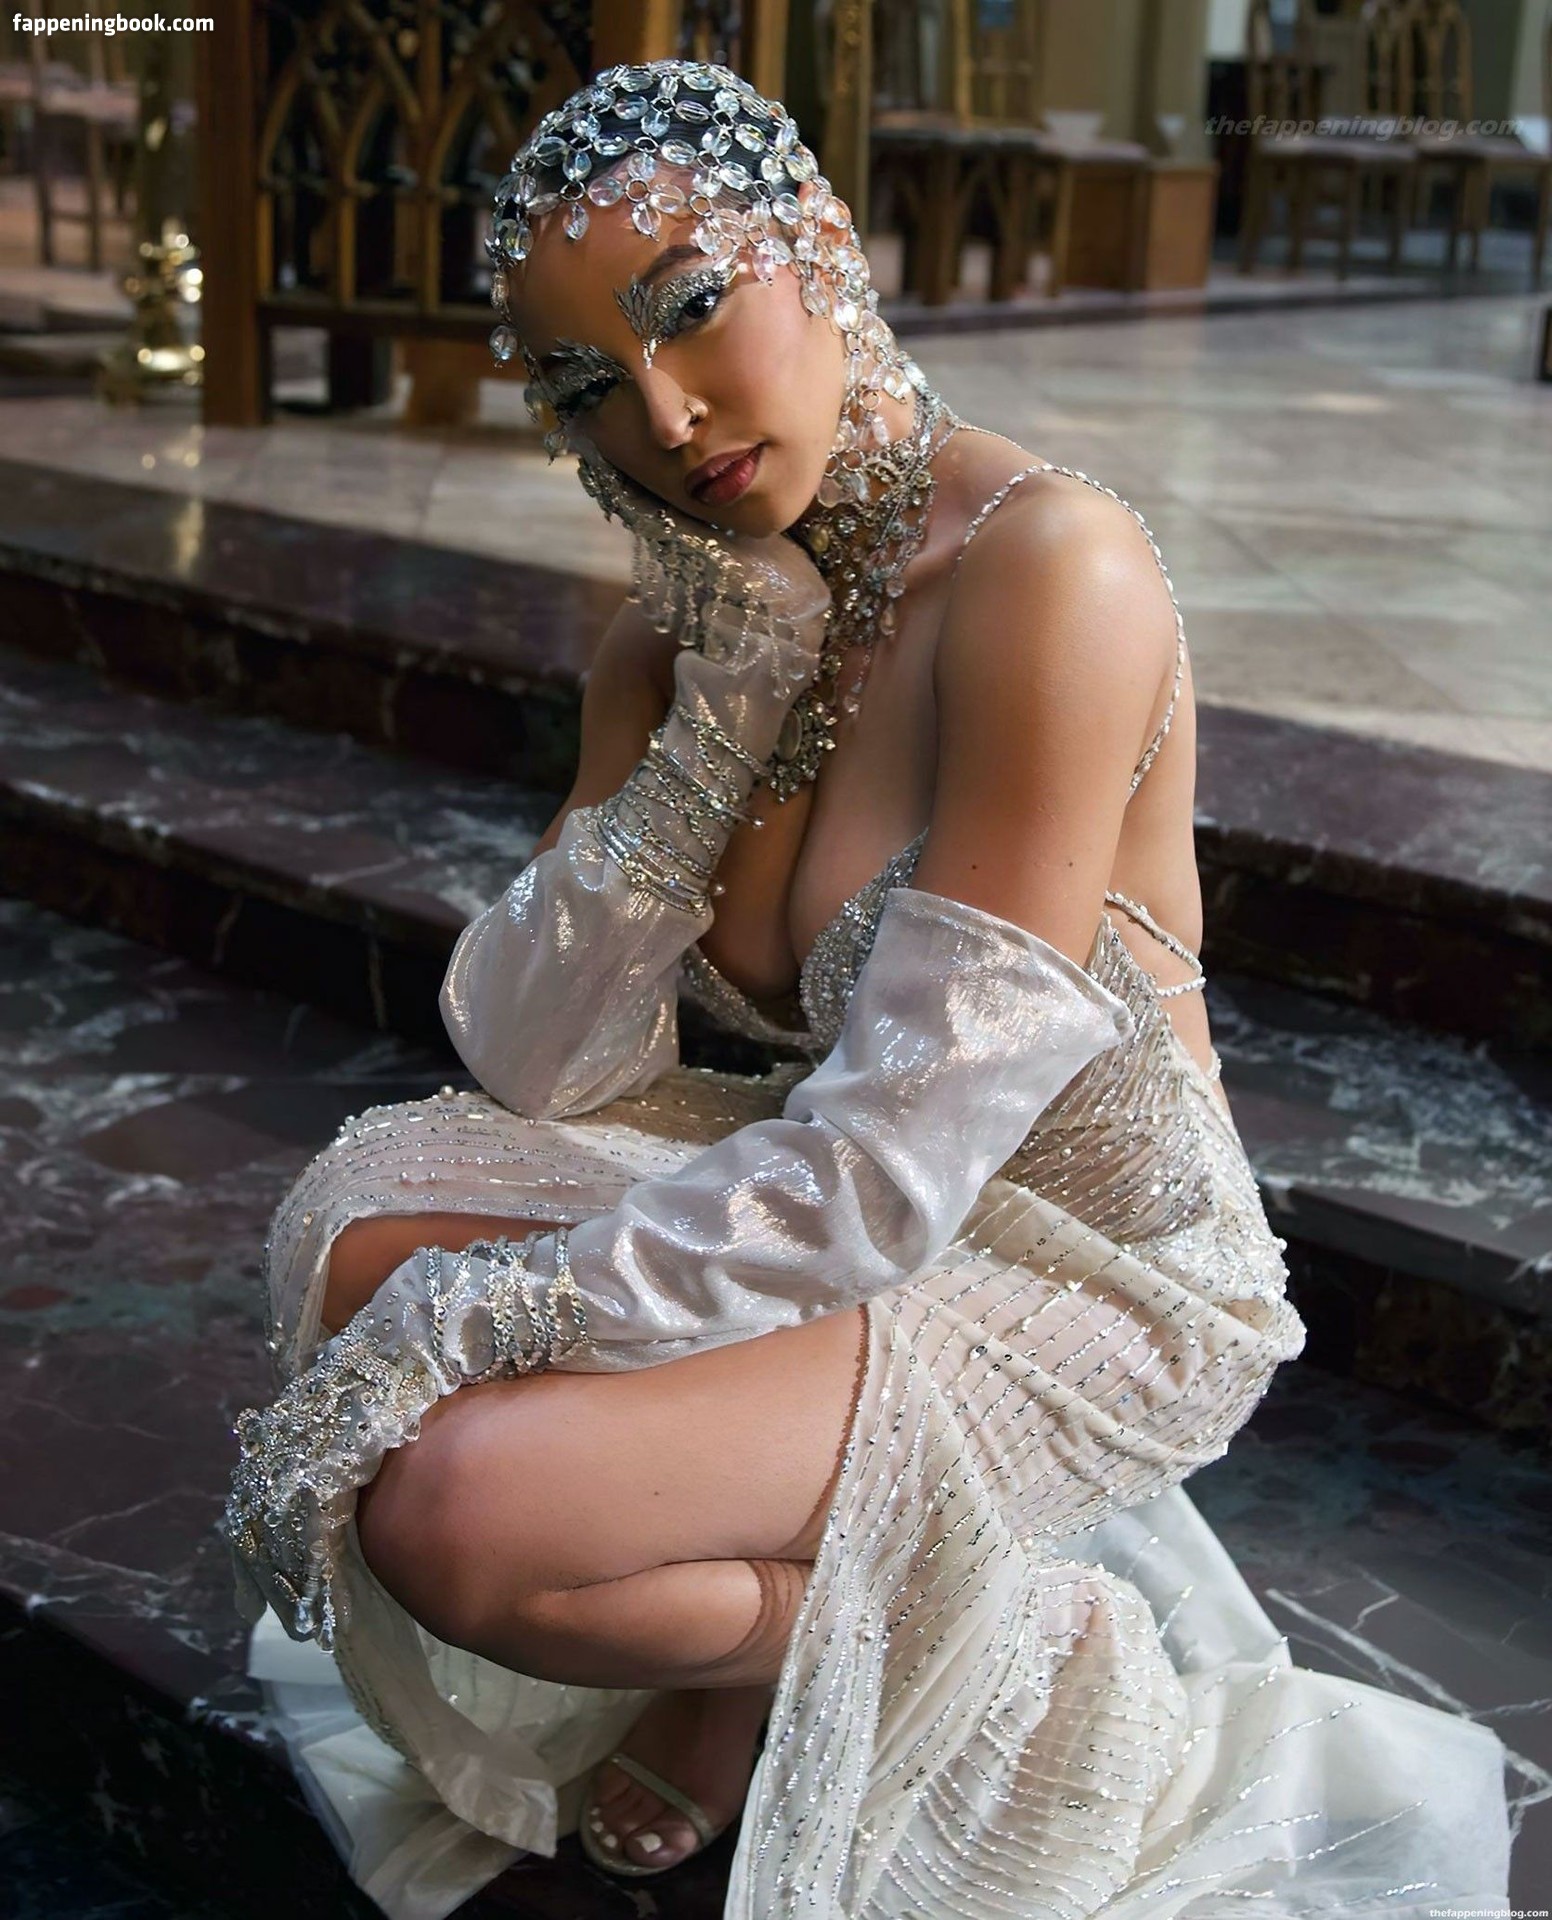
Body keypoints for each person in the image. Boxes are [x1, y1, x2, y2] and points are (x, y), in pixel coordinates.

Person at [223, 58, 1512, 1920]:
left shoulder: (1050, 570)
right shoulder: (687, 631)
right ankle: (813, 1624)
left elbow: (897, 1167)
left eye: (690, 307)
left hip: (1085, 1267)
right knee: (353, 1234)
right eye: (586, 387)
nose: (664, 415)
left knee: (458, 1514)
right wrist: (718, 712)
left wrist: (489, 1318)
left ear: (820, 238)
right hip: (858, 1183)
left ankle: (1010, 1647)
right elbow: (532, 1054)